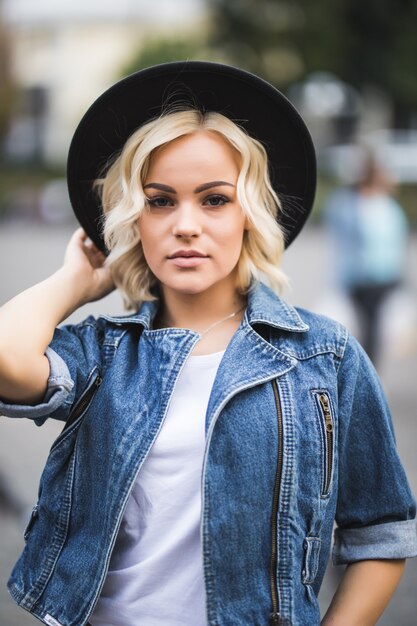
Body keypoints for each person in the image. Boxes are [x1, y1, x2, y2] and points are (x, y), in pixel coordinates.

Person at [0, 61, 416, 626]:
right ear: (134, 219)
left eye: (214, 199)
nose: (186, 224)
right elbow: (6, 360)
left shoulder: (326, 357)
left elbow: (381, 535)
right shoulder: (103, 354)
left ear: (250, 212)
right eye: (160, 200)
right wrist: (77, 282)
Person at [323, 155, 409, 365]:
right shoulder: (385, 206)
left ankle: (369, 370)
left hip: (369, 276)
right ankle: (370, 370)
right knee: (370, 327)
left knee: (369, 327)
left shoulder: (352, 204)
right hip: (374, 276)